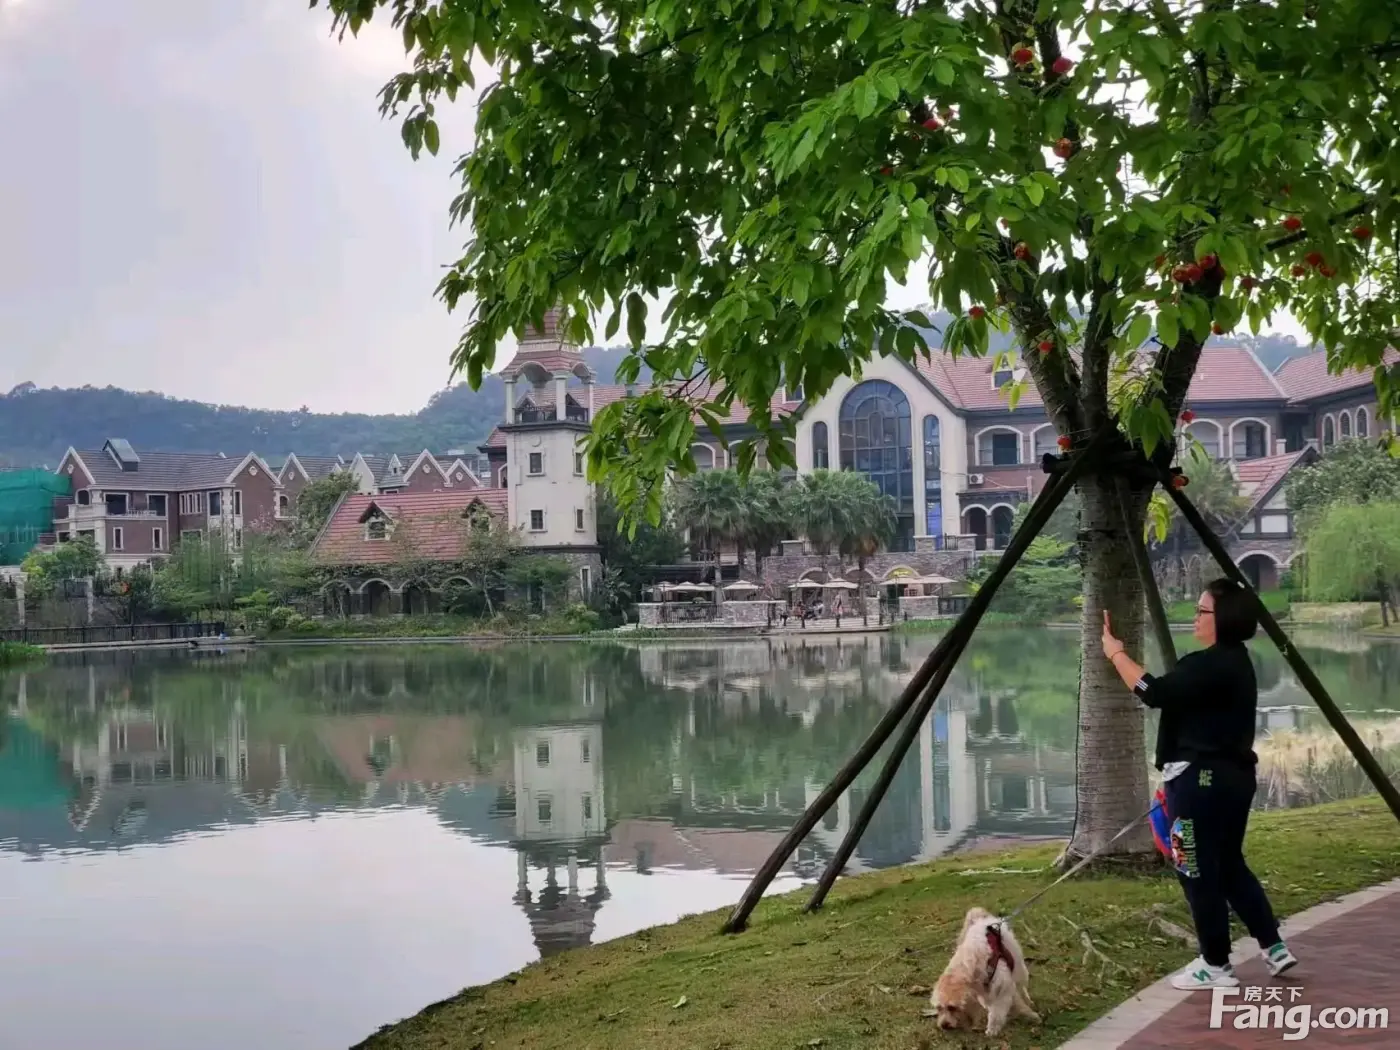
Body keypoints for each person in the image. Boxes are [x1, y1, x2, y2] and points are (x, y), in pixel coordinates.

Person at [1101, 578, 1298, 991]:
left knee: (1193, 867)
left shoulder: (1207, 665)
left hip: (1196, 784)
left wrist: (1116, 654)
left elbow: (1151, 691)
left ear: (1221, 618)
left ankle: (1215, 965)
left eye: (1201, 610)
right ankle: (1273, 946)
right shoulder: (1239, 664)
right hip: (1235, 780)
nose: (1195, 617)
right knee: (1228, 863)